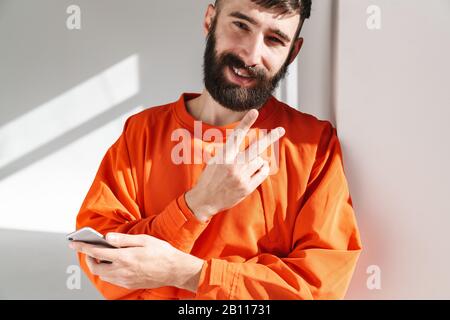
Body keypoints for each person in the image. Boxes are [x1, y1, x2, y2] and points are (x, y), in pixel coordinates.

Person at [70, 0, 362, 300]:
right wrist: (198, 205)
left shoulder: (314, 146)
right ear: (210, 20)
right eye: (240, 25)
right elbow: (104, 266)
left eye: (274, 40)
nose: (251, 54)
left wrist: (188, 274)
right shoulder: (142, 132)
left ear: (293, 52)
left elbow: (318, 289)